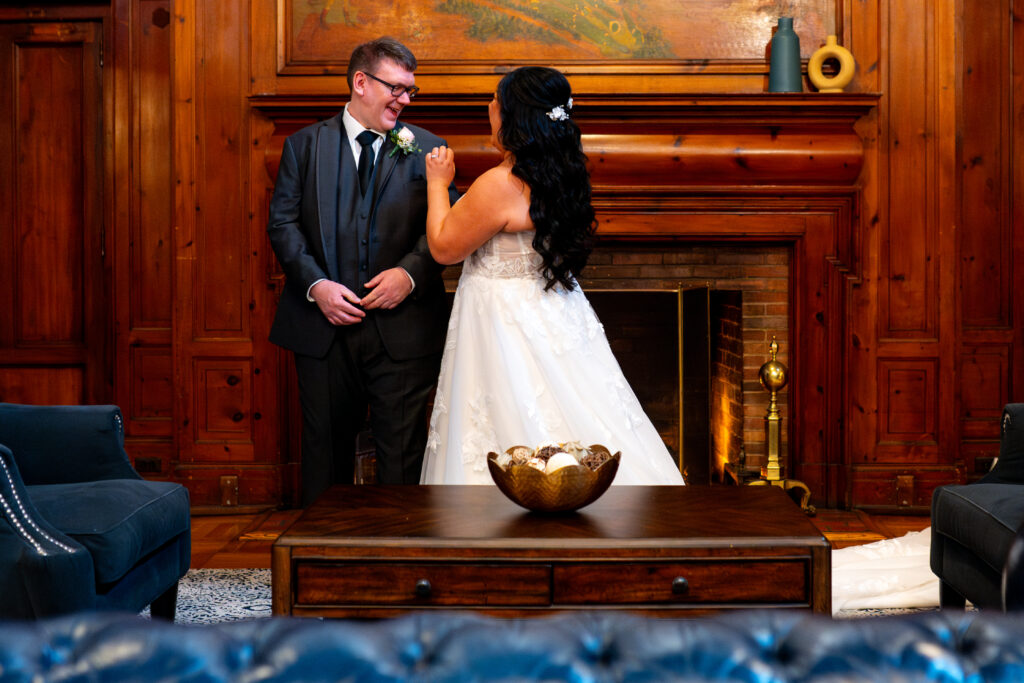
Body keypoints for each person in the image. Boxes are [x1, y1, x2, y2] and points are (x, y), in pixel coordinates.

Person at [419, 66, 684, 486]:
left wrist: (437, 183)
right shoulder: (563, 175)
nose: (488, 106)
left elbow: (444, 247)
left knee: (513, 426)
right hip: (556, 311)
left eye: (494, 99)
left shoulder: (500, 184)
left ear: (513, 115)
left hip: (502, 324)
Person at [267, 37, 460, 505]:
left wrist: (409, 275)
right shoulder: (304, 147)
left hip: (404, 331)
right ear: (360, 83)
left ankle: (400, 565)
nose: (406, 100)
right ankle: (323, 563)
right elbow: (283, 223)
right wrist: (316, 286)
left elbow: (449, 229)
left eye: (411, 90)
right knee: (324, 456)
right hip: (322, 330)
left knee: (402, 458)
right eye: (397, 88)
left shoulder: (431, 151)